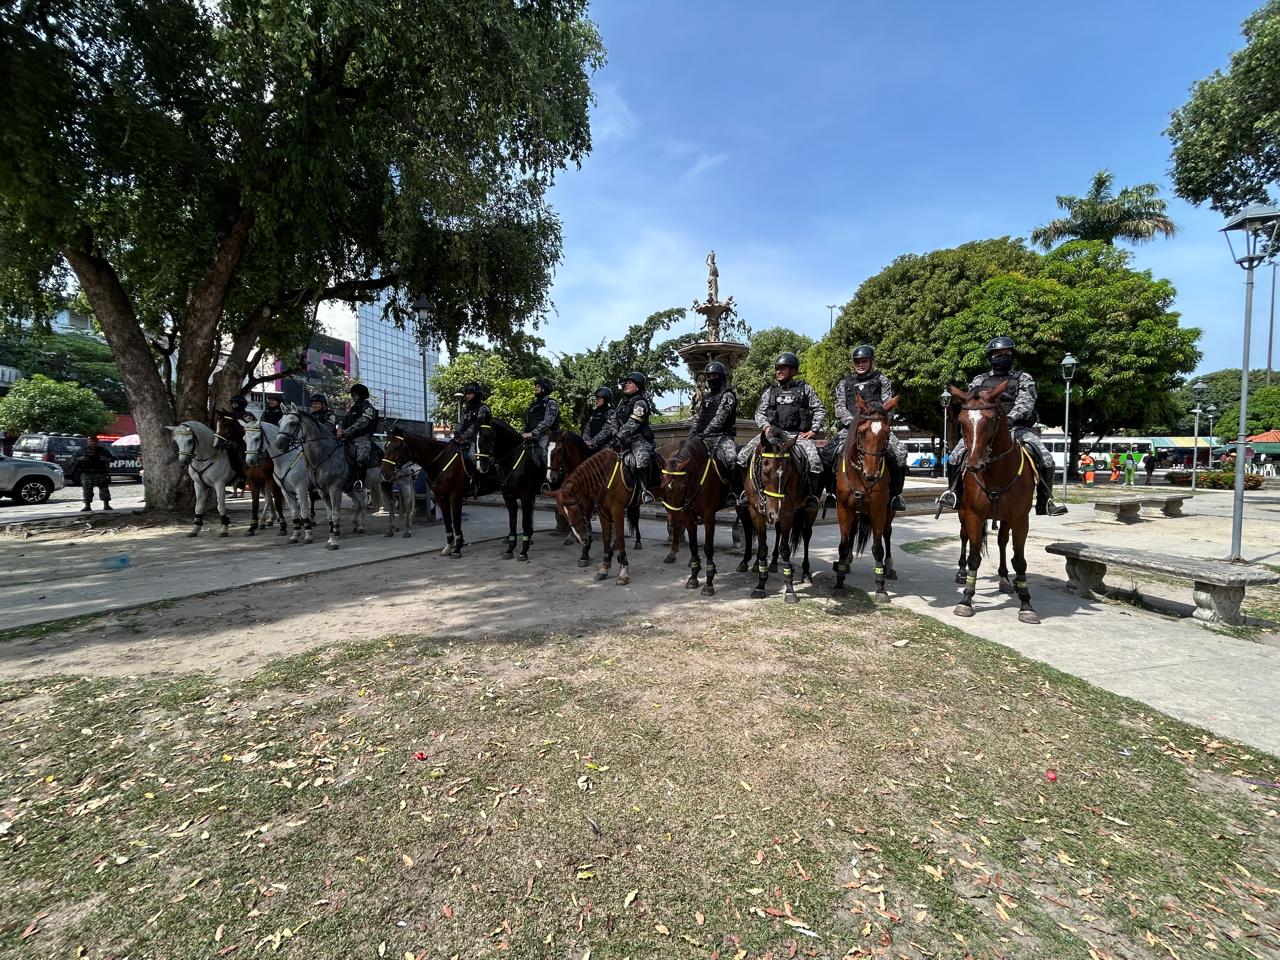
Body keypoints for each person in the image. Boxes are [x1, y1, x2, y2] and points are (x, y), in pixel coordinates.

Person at [937, 336, 1067, 516]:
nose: (1002, 356)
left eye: (1006, 353)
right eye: (997, 354)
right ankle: (954, 494)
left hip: (1016, 427)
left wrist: (1011, 418)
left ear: (1012, 355)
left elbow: (1026, 402)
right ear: (990, 357)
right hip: (984, 428)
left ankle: (1046, 501)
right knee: (954, 456)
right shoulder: (979, 380)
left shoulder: (1023, 378)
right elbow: (971, 402)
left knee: (1045, 457)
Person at [736, 352, 826, 508]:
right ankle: (745, 493)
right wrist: (765, 426)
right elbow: (759, 413)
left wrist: (813, 430)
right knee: (742, 457)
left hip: (796, 436)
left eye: (782, 368)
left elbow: (820, 409)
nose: (778, 371)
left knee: (815, 462)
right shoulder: (769, 391)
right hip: (772, 435)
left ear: (793, 371)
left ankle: (811, 497)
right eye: (777, 368)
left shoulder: (804, 389)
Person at [834, 344, 908, 512]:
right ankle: (832, 493)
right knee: (826, 455)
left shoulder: (882, 379)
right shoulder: (844, 382)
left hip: (876, 427)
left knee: (900, 453)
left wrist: (876, 421)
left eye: (864, 361)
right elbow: (839, 406)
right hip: (851, 427)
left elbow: (888, 403)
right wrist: (853, 423)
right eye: (857, 361)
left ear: (871, 362)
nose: (860, 364)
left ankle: (896, 495)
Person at [592, 371, 656, 482]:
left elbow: (632, 424)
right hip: (621, 439)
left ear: (638, 386)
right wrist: (605, 437)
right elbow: (613, 421)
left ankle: (645, 491)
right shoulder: (622, 402)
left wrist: (617, 437)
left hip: (639, 439)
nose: (625, 385)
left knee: (641, 460)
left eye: (629, 382)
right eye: (625, 383)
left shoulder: (641, 403)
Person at [687, 360, 740, 495]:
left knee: (732, 459)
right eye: (708, 376)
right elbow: (698, 418)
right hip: (702, 437)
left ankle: (734, 493)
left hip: (721, 438)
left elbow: (719, 419)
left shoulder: (728, 396)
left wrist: (703, 433)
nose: (710, 379)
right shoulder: (705, 398)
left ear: (721, 377)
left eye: (714, 376)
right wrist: (692, 435)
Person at [213, 394, 255, 488]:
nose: (234, 405)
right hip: (229, 441)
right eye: (233, 403)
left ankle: (242, 478)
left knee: (240, 457)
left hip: (244, 441)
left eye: (236, 403)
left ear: (242, 404)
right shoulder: (229, 415)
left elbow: (252, 429)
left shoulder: (247, 415)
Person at [451, 382, 492, 475]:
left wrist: (463, 437)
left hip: (478, 440)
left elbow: (476, 426)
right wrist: (456, 432)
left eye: (469, 393)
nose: (467, 396)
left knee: (472, 456)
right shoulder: (467, 409)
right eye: (466, 393)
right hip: (464, 439)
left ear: (476, 393)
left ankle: (480, 479)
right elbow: (460, 422)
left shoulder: (484, 408)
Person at [336, 383, 379, 469]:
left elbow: (362, 423)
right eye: (353, 395)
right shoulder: (353, 408)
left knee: (361, 458)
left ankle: (359, 480)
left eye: (355, 395)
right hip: (348, 437)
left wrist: (345, 432)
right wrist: (339, 430)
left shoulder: (368, 408)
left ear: (362, 395)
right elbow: (343, 421)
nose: (353, 397)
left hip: (362, 438)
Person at [521, 376, 560, 468]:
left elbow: (548, 422)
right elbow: (527, 422)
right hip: (529, 437)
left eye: (538, 386)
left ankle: (548, 480)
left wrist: (532, 433)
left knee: (546, 456)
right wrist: (522, 433)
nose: (535, 388)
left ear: (544, 388)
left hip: (546, 436)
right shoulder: (533, 405)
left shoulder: (551, 403)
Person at [74, 435, 114, 512]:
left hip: (100, 471)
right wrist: (80, 459)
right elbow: (73, 459)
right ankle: (87, 505)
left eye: (94, 441)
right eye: (91, 441)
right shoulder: (82, 450)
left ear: (97, 442)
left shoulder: (103, 450)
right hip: (87, 472)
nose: (93, 443)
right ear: (88, 442)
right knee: (87, 489)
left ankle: (106, 505)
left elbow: (112, 458)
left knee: (104, 489)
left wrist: (106, 459)